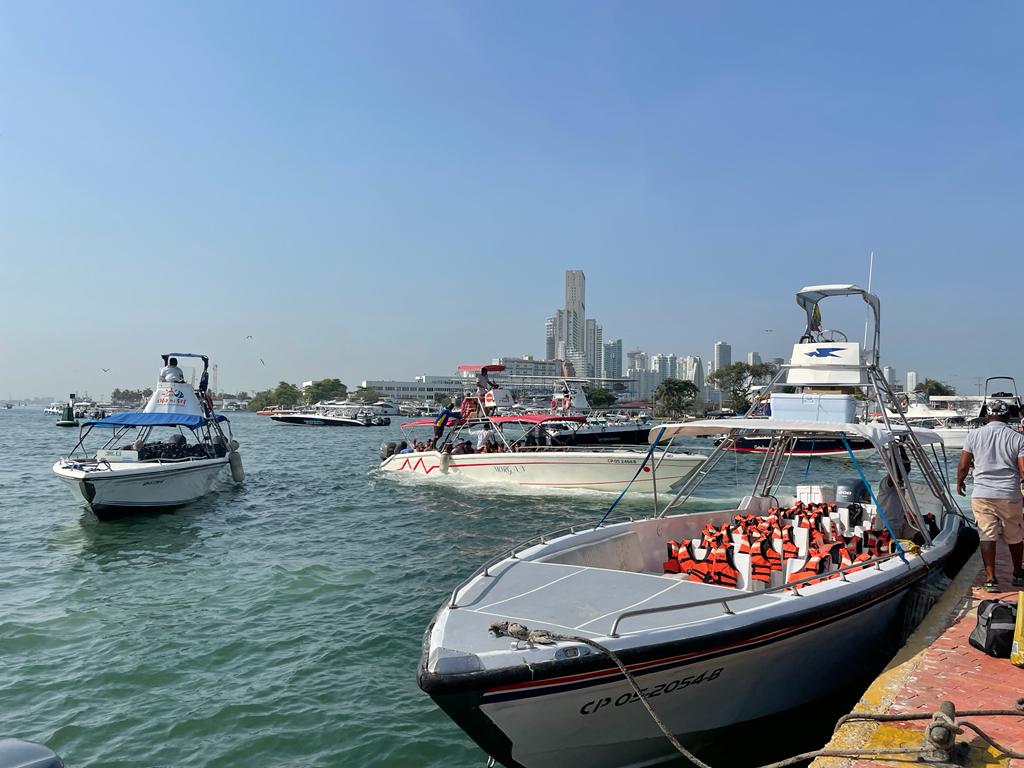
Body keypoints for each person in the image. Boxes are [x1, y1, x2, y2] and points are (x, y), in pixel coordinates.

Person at [957, 399, 1024, 591]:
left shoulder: (974, 435)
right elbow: (1023, 469)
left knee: (987, 535)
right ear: (1006, 416)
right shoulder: (1018, 438)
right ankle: (1018, 574)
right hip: (1009, 493)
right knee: (1015, 535)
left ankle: (990, 579)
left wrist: (960, 482)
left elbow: (963, 465)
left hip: (982, 493)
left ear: (987, 416)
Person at [875, 447, 912, 536]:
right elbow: (894, 471)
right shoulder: (887, 482)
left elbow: (907, 468)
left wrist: (902, 451)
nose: (905, 471)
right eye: (902, 468)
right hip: (886, 527)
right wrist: (893, 452)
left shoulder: (901, 483)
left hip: (898, 524)